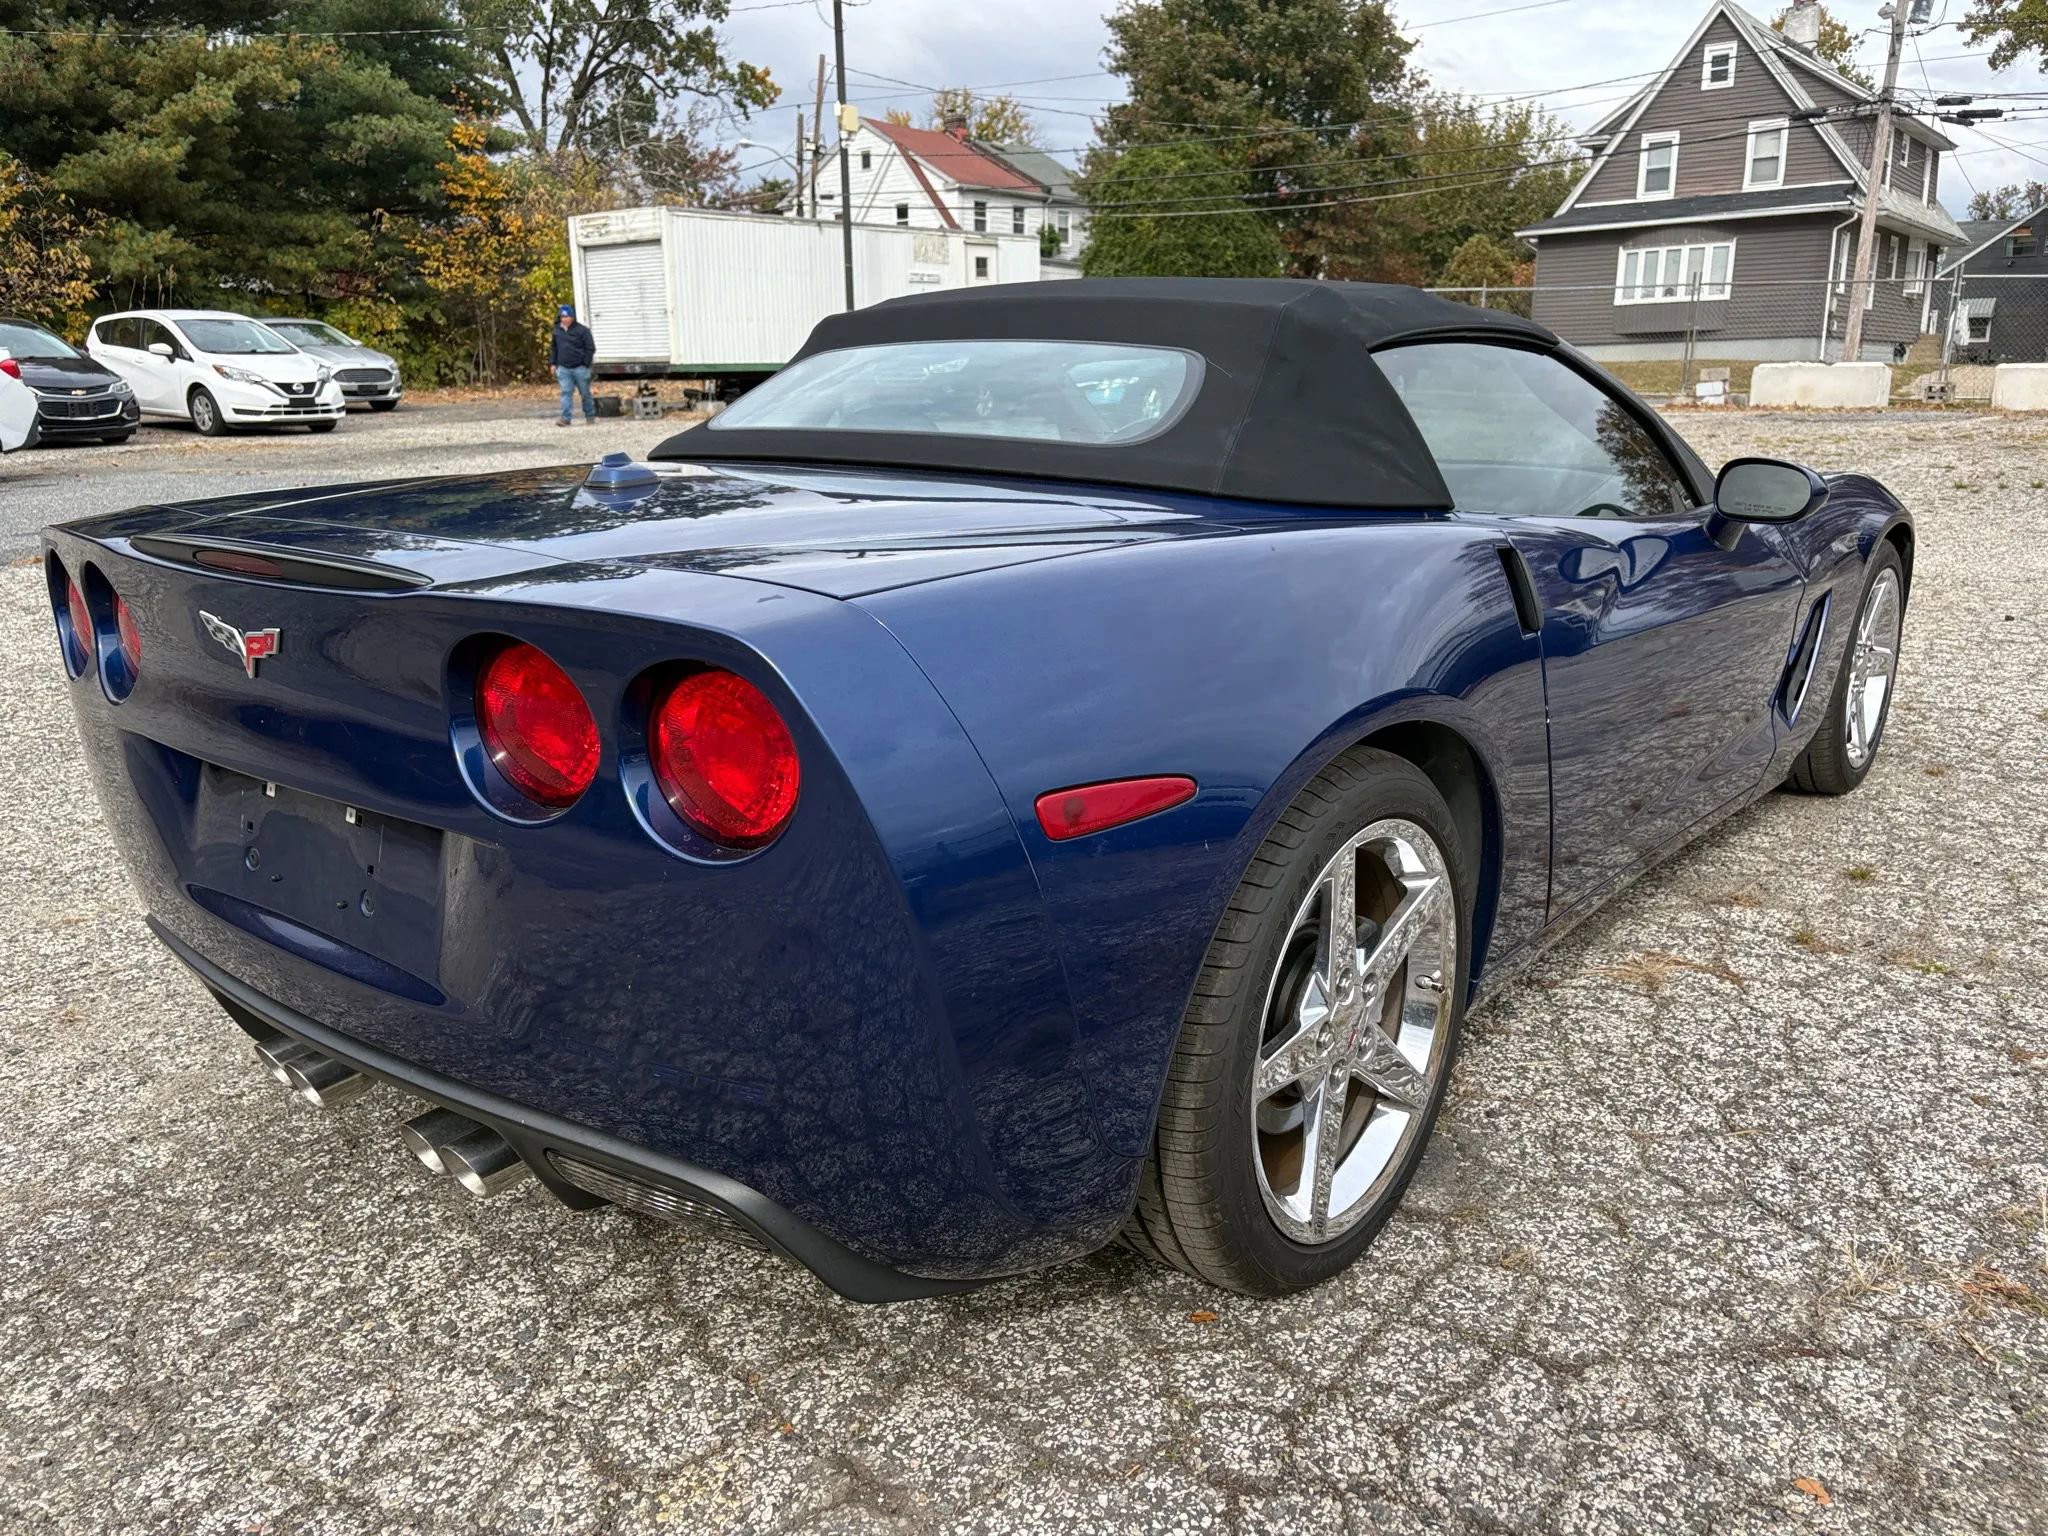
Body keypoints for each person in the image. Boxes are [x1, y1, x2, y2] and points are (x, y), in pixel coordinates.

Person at [550, 305, 597, 426]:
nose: (564, 319)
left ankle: (590, 415)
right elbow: (554, 348)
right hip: (564, 368)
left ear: (572, 317)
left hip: (580, 368)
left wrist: (585, 363)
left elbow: (590, 348)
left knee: (585, 393)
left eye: (567, 316)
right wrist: (553, 363)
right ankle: (566, 418)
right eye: (562, 317)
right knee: (566, 392)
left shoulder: (582, 331)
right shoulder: (557, 331)